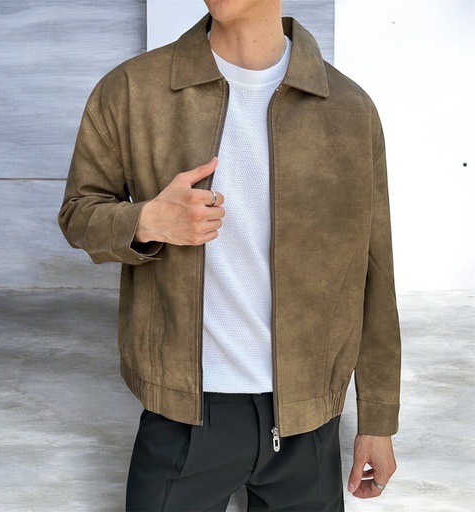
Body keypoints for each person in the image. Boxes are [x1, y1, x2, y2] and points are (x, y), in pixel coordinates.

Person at [58, 0, 401, 510]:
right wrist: (147, 220)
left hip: (309, 423)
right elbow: (78, 214)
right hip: (183, 417)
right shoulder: (133, 89)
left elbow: (374, 272)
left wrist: (377, 419)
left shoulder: (350, 110)